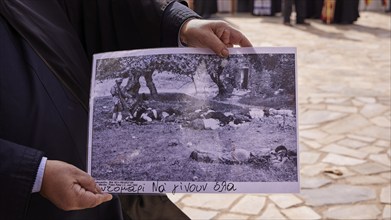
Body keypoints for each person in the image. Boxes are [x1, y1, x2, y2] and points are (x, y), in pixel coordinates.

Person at [0, 0, 252, 220]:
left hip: (91, 180)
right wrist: (32, 174)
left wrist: (179, 25)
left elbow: (94, 8)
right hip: (27, 199)